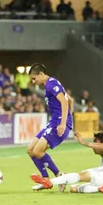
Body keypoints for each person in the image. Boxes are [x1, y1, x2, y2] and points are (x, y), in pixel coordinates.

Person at [30, 131, 103, 194]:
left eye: (95, 141)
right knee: (73, 188)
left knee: (80, 175)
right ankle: (98, 189)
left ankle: (50, 182)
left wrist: (83, 142)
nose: (93, 144)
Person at [27, 63, 73, 191]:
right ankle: (45, 180)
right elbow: (70, 100)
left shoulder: (50, 84)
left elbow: (64, 102)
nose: (34, 81)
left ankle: (59, 177)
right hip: (53, 122)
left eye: (34, 78)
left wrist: (64, 122)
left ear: (41, 74)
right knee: (30, 150)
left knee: (37, 151)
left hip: (58, 123)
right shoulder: (51, 84)